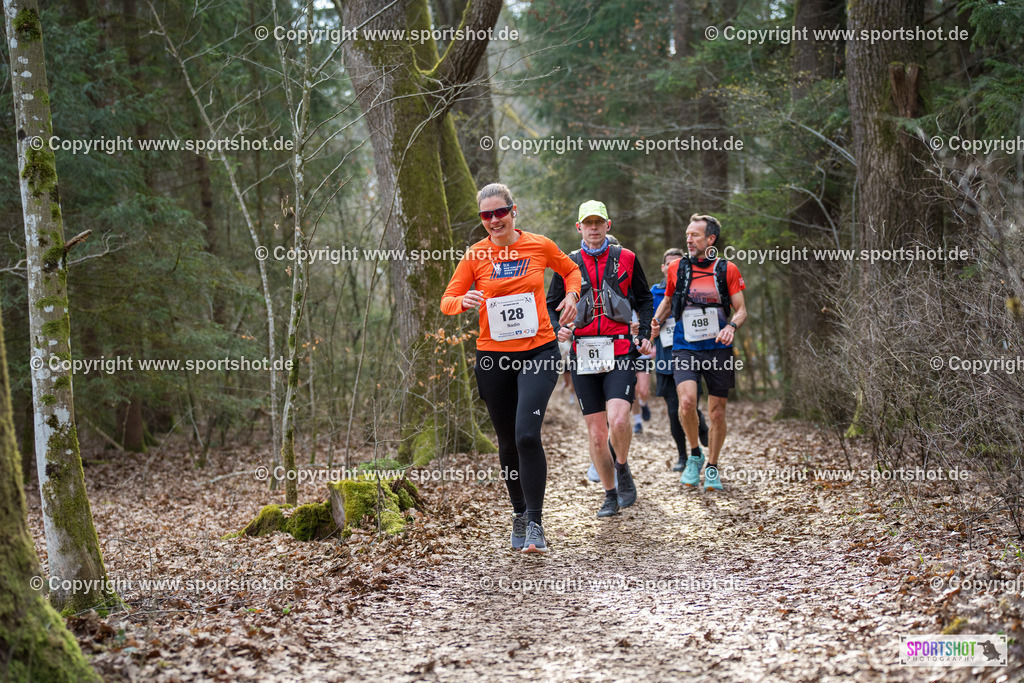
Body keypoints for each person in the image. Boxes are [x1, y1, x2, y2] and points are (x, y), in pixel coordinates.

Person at [441, 183, 581, 553]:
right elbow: (447, 300)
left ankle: (536, 522)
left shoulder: (539, 245)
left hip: (539, 350)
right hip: (493, 357)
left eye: (499, 212)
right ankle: (518, 513)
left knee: (526, 436)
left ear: (513, 211)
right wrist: (463, 300)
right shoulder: (475, 255)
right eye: (486, 215)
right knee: (506, 442)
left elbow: (571, 271)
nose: (493, 220)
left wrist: (571, 295)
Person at [548, 200, 654, 517]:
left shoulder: (627, 259)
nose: (593, 228)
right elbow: (551, 304)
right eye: (587, 223)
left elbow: (646, 298)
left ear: (608, 225)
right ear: (579, 227)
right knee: (596, 435)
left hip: (620, 349)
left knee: (619, 420)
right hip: (584, 355)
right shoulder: (567, 264)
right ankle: (610, 495)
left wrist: (645, 331)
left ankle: (622, 467)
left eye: (599, 222)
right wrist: (558, 329)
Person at [652, 214, 746, 491]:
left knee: (717, 413)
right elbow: (668, 301)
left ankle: (713, 465)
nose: (689, 240)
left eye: (695, 235)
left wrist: (731, 326)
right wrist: (655, 322)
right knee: (687, 403)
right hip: (685, 346)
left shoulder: (727, 269)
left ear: (710, 239)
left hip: (718, 349)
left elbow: (741, 309)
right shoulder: (677, 269)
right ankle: (695, 453)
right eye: (687, 235)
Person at [651, 248, 709, 471]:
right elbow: (647, 319)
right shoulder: (654, 293)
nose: (673, 266)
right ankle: (683, 456)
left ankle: (700, 423)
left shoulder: (693, 289)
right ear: (663, 267)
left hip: (690, 355)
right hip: (666, 359)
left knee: (690, 403)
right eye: (669, 263)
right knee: (674, 411)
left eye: (678, 262)